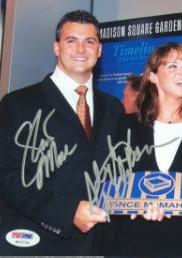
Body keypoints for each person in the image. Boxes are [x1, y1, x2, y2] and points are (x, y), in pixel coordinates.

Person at [0, 10, 123, 255]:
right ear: (56, 47)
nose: (81, 49)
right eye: (71, 40)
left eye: (90, 41)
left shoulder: (114, 108)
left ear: (99, 50)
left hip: (99, 246)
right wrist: (67, 213)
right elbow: (7, 177)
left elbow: (120, 172)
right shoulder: (17, 104)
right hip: (35, 243)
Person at [96, 43, 182, 256]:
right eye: (172, 66)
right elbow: (108, 184)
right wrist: (132, 205)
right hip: (133, 246)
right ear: (152, 76)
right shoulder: (125, 127)